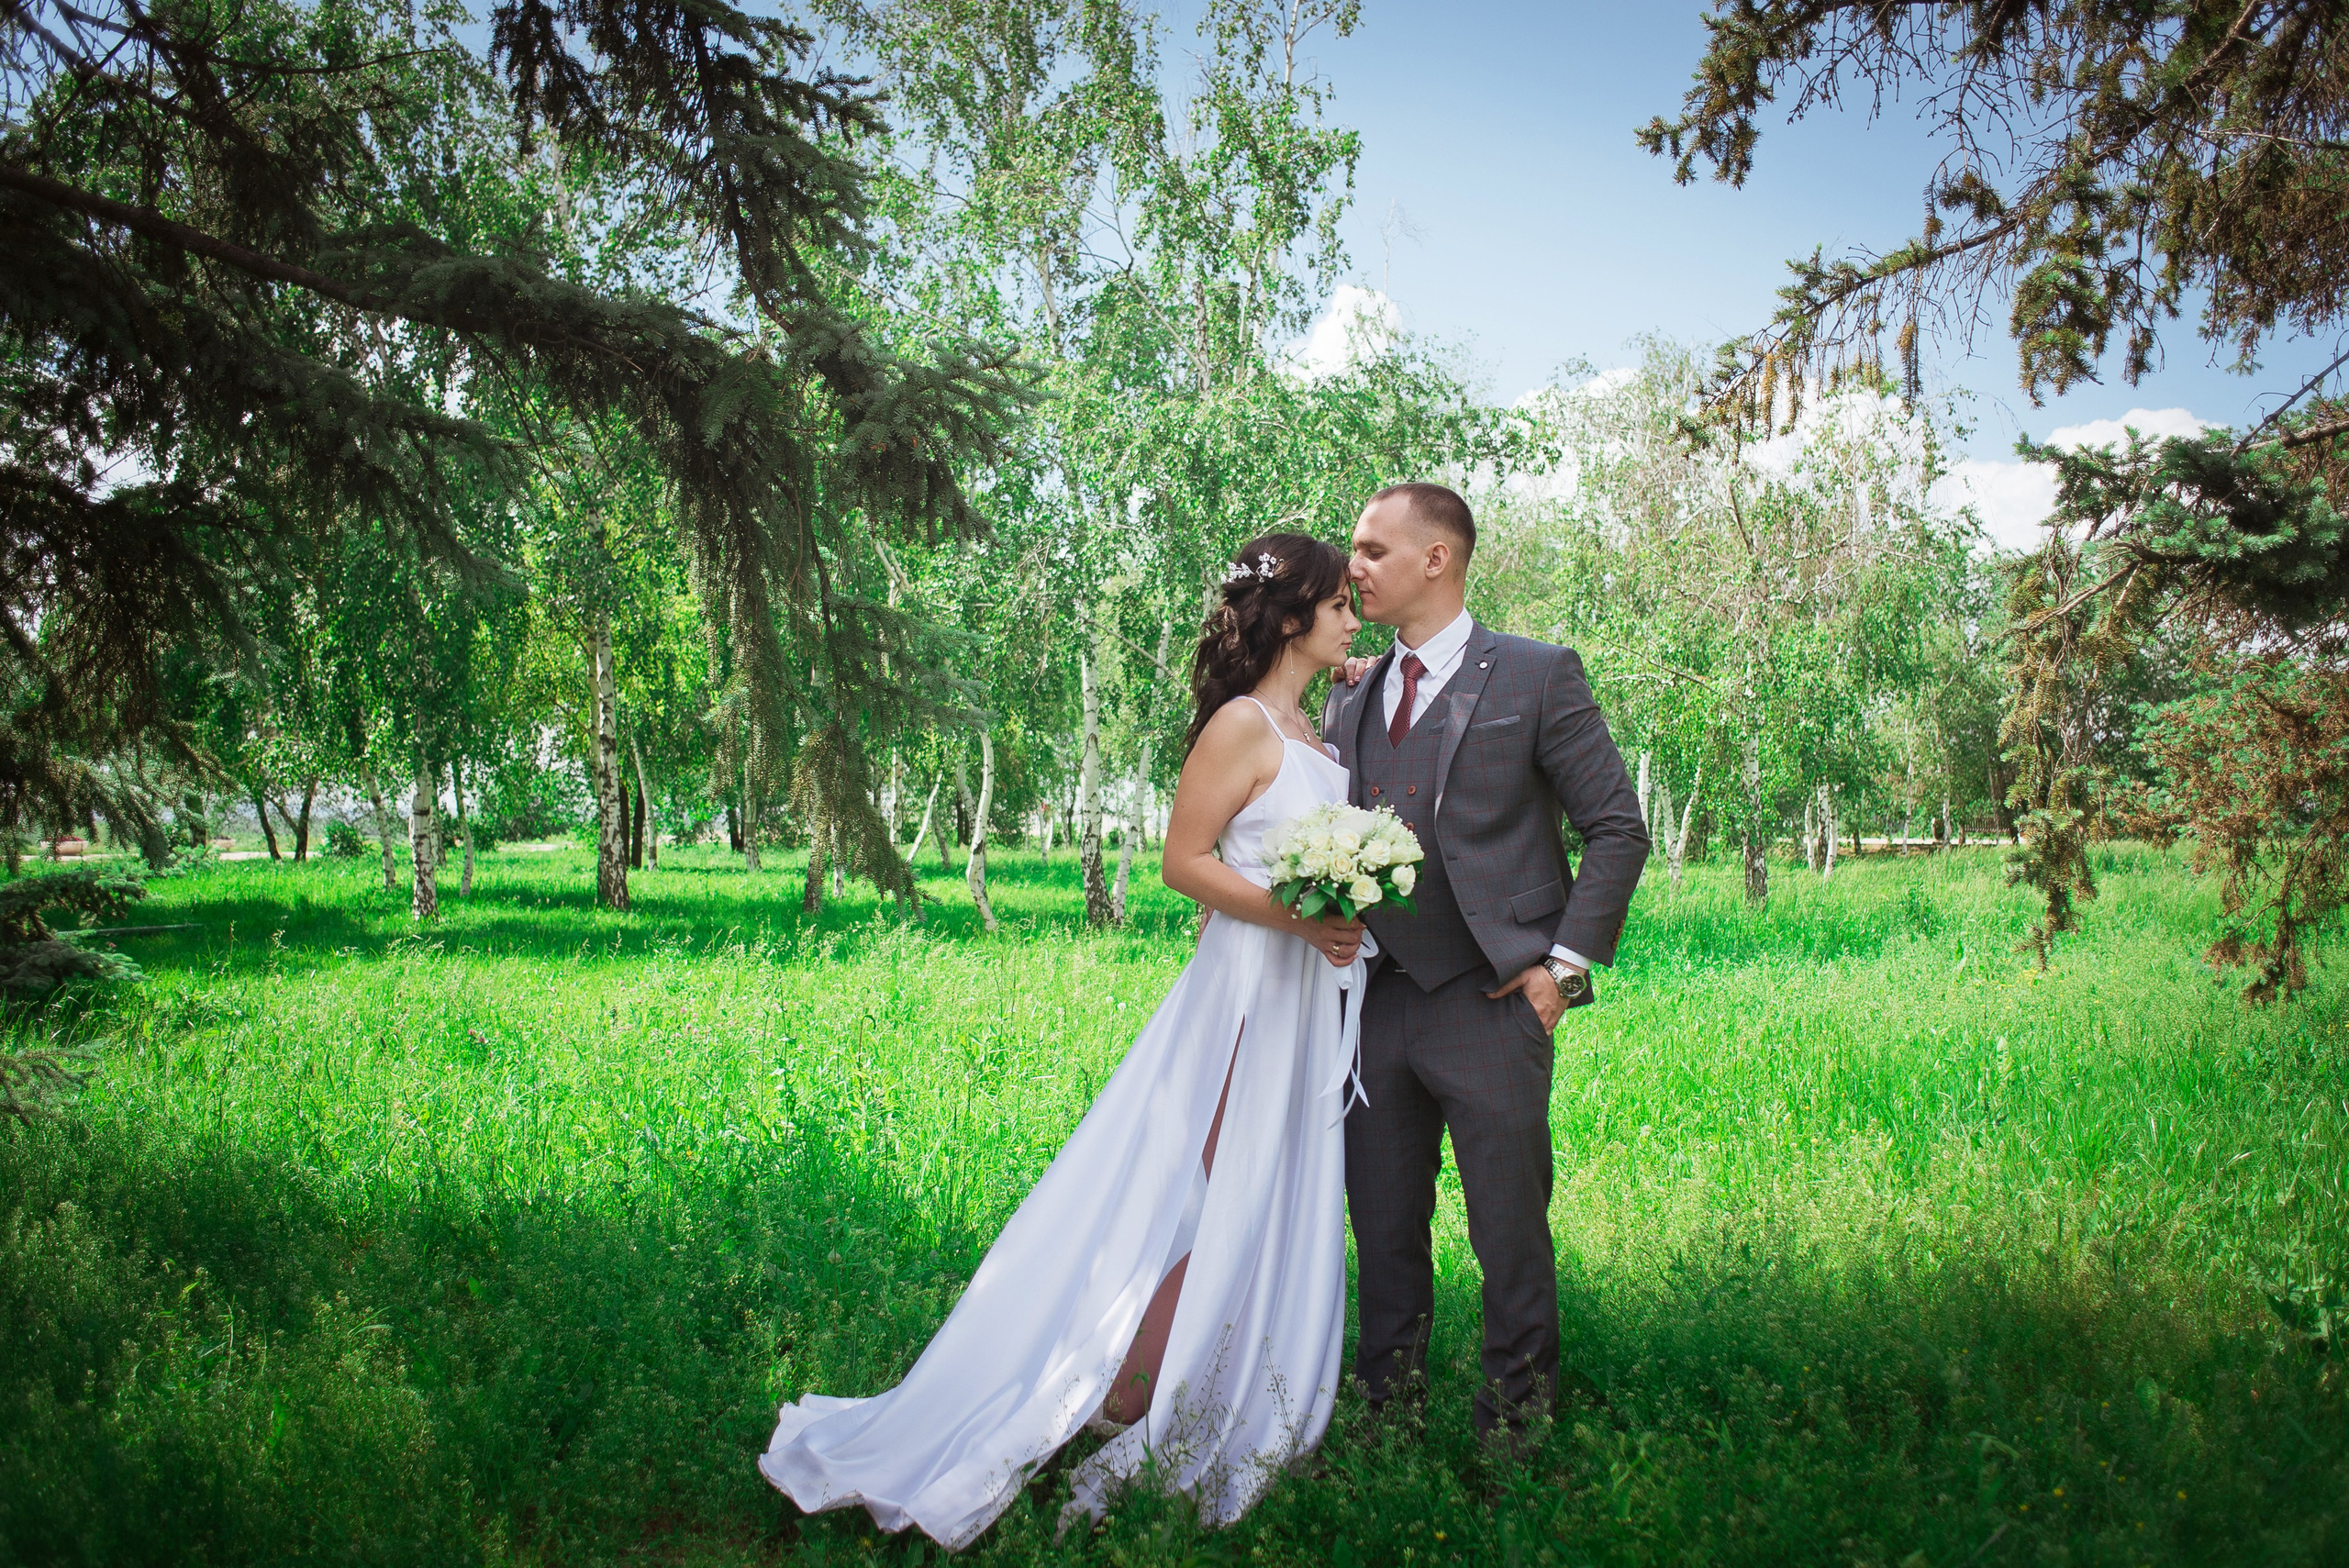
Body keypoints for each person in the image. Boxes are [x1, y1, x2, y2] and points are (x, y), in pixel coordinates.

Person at [758, 533, 1370, 1549]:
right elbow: (1183, 862)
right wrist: (1298, 914)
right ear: (1293, 614)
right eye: (1340, 604)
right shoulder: (1240, 725)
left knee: (1264, 1199)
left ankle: (1202, 1385)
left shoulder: (1317, 730)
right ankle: (1123, 1396)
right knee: (1208, 1196)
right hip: (1249, 994)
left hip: (1306, 1000)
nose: (1357, 619)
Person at [1326, 481, 1646, 1441]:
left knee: (1507, 1232)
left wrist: (1562, 973)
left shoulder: (1538, 674)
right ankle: (1388, 1417)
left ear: (1437, 558)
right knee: (1381, 1230)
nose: (1354, 567)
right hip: (1374, 1002)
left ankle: (1516, 1428)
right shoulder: (1351, 694)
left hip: (1496, 999)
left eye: (1373, 549)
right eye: (1354, 549)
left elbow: (1617, 829)